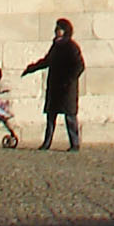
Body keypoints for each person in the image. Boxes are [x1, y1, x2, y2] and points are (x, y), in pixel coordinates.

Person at [22, 16, 86, 150]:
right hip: (55, 86)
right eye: (56, 28)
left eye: (59, 29)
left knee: (70, 117)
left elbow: (79, 66)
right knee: (51, 117)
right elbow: (47, 61)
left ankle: (75, 144)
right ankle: (47, 142)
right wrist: (31, 68)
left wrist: (69, 80)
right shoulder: (56, 45)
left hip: (67, 88)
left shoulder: (71, 47)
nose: (56, 31)